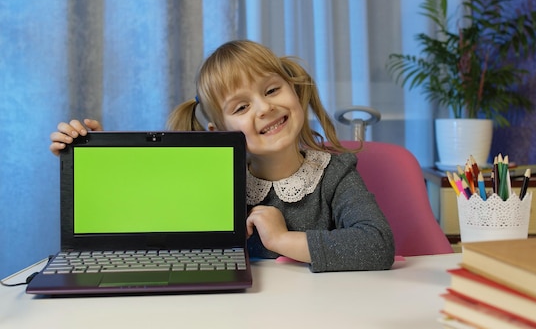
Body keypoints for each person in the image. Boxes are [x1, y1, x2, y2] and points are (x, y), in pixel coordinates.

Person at [50, 40, 395, 273]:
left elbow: (378, 245)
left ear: (294, 90)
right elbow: (142, 215)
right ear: (219, 132)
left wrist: (281, 240)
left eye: (272, 89)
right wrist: (91, 152)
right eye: (242, 107)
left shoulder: (335, 173)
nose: (265, 108)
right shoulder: (212, 181)